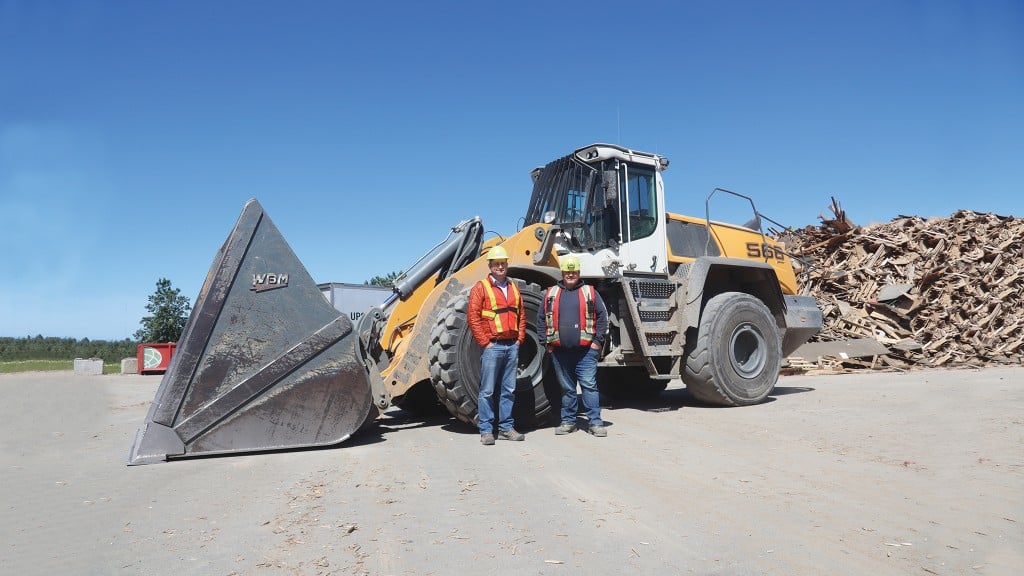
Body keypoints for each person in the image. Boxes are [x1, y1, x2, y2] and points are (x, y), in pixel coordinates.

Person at [538, 255, 609, 437]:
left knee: (589, 386)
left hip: (586, 352)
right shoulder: (551, 293)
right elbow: (541, 319)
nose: (570, 275)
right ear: (563, 273)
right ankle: (569, 421)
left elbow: (603, 317)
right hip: (560, 352)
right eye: (567, 272)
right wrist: (546, 343)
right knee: (567, 389)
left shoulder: (590, 292)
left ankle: (595, 423)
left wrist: (597, 342)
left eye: (574, 272)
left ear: (578, 273)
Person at [468, 245, 527, 445]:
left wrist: (519, 340)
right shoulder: (481, 287)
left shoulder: (513, 287)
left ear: (506, 265)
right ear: (490, 266)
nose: (500, 267)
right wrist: (485, 342)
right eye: (496, 264)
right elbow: (473, 317)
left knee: (508, 390)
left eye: (503, 264)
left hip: (511, 346)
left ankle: (506, 428)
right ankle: (486, 430)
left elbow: (521, 315)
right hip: (493, 346)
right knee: (487, 390)